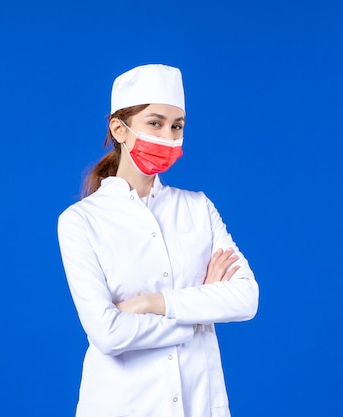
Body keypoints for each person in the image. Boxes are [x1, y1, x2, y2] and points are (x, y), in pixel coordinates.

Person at [57, 64, 259, 417]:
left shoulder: (198, 207)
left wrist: (151, 302)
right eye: (155, 123)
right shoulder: (81, 221)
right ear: (119, 129)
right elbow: (108, 333)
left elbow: (245, 298)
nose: (168, 135)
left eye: (176, 126)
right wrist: (199, 313)